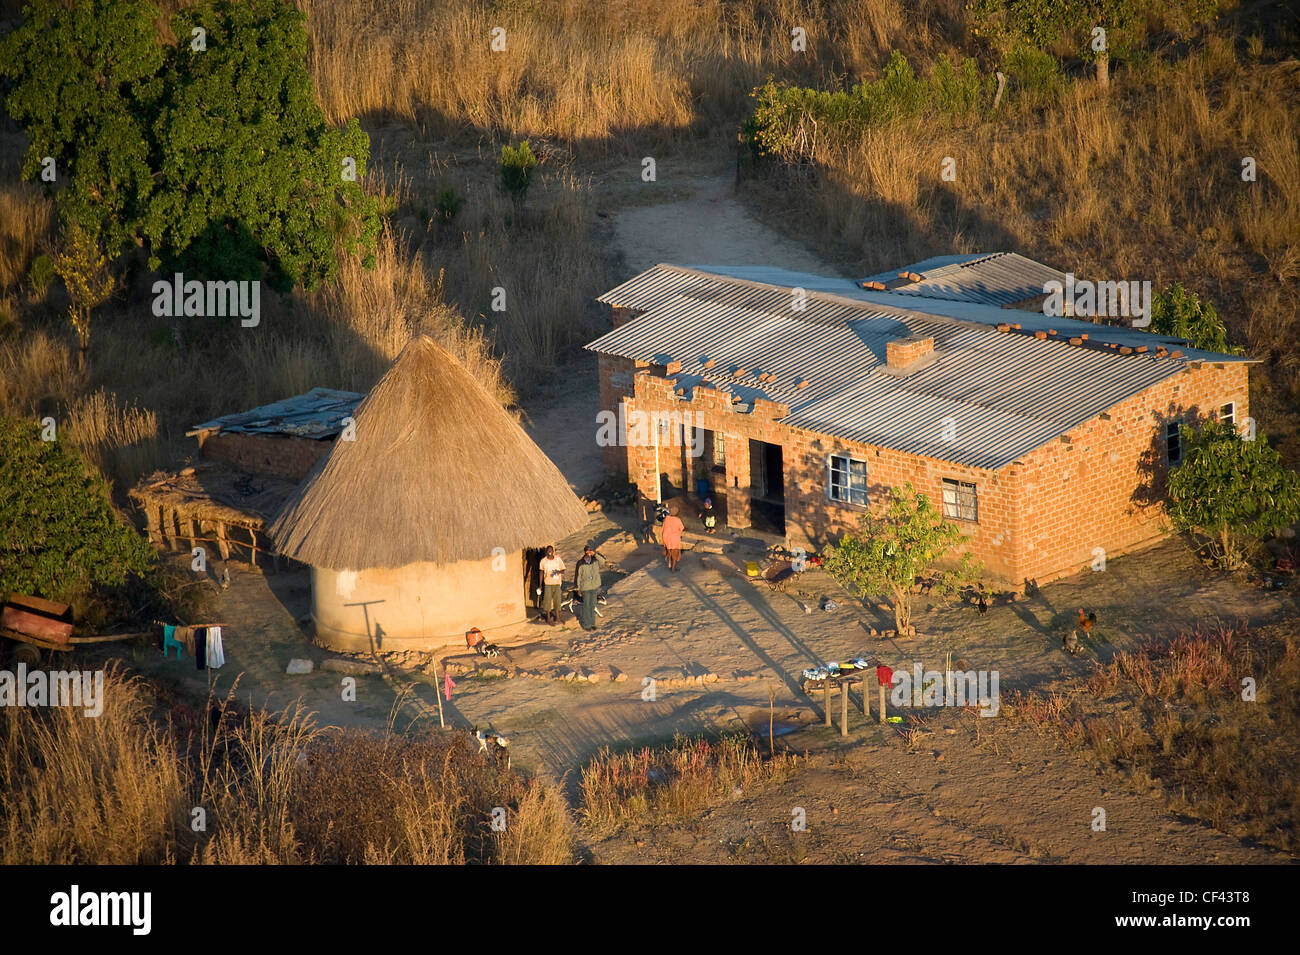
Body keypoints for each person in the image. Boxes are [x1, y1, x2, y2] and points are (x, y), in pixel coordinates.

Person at [574, 543, 607, 630]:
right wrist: (578, 588)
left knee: (592, 605)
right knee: (586, 605)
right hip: (585, 587)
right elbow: (578, 576)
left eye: (590, 550)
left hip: (594, 586)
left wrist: (595, 554)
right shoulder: (580, 563)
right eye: (587, 550)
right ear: (585, 552)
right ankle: (586, 624)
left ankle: (592, 623)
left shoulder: (595, 560)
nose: (589, 552)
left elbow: (603, 562)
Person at [539, 545, 566, 624]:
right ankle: (548, 618)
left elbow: (563, 570)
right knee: (547, 601)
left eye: (551, 550)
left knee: (557, 601)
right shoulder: (543, 561)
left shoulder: (558, 559)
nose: (550, 552)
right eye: (548, 550)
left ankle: (557, 618)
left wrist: (558, 572)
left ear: (553, 551)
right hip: (548, 583)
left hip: (557, 583)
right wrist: (540, 585)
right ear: (546, 552)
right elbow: (541, 572)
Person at [661, 505, 685, 572]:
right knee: (675, 553)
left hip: (666, 537)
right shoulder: (678, 520)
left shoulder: (666, 518)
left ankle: (669, 564)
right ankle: (673, 568)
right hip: (674, 538)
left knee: (669, 550)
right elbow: (682, 528)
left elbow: (663, 528)